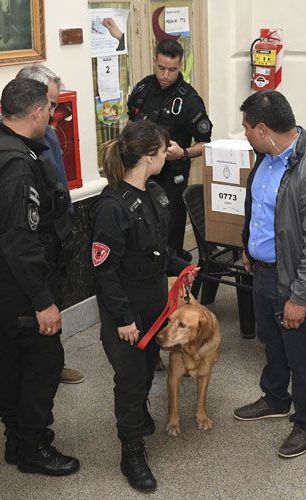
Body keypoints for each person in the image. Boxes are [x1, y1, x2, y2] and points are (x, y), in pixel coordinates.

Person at [0, 78, 79, 476]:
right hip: (19, 285)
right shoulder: (17, 165)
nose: (52, 115)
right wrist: (43, 301)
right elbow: (19, 240)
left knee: (12, 357)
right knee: (44, 361)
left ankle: (16, 437)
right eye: (49, 108)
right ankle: (33, 445)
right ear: (35, 113)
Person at [90, 120, 197, 491]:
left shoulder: (154, 192)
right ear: (150, 157)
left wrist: (180, 266)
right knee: (131, 379)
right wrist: (122, 318)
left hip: (154, 302)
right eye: (165, 149)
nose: (168, 154)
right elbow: (105, 272)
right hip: (127, 309)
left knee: (149, 364)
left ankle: (139, 414)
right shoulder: (111, 208)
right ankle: (131, 451)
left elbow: (156, 250)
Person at [232, 91, 306, 459]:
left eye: (246, 127)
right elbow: (258, 209)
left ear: (263, 129)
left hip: (293, 281)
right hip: (262, 272)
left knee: (301, 357)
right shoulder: (264, 157)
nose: (243, 133)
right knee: (271, 342)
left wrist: (300, 297)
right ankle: (276, 398)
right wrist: (248, 246)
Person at [127, 39, 213, 261]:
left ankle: (172, 279)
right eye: (161, 68)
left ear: (181, 66)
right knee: (142, 229)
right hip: (140, 174)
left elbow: (205, 144)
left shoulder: (190, 100)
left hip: (171, 176)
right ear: (154, 61)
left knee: (169, 229)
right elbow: (131, 123)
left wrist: (183, 152)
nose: (166, 75)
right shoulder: (142, 89)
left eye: (172, 70)